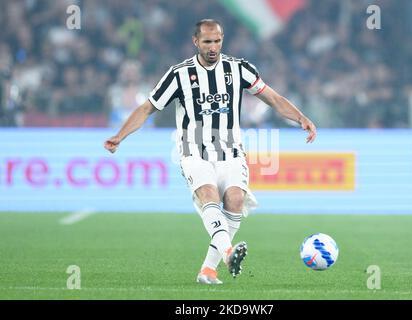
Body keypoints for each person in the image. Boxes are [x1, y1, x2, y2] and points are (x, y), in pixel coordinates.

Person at [104, 19, 317, 284]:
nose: (213, 47)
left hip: (231, 151)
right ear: (196, 42)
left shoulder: (239, 69)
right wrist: (120, 135)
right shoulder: (179, 74)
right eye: (207, 42)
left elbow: (272, 98)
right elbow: (148, 107)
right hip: (194, 151)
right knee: (208, 195)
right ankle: (228, 253)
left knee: (235, 201)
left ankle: (208, 269)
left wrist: (300, 118)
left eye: (217, 41)